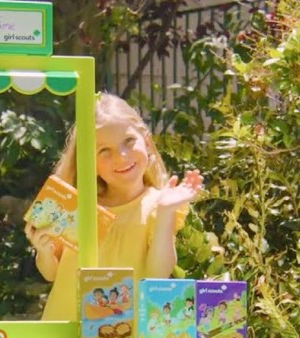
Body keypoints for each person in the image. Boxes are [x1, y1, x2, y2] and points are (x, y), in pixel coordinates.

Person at [25, 92, 203, 322]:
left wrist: (165, 212)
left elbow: (157, 275)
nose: (121, 157)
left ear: (147, 142)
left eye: (129, 142)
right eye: (104, 151)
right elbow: (50, 273)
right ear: (88, 161)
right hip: (66, 333)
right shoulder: (73, 205)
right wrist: (43, 249)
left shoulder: (159, 204)